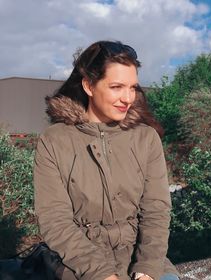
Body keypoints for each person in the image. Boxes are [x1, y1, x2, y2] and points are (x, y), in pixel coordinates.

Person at [34, 40, 179, 280]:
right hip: (79, 263)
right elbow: (54, 220)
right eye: (116, 87)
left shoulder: (146, 138)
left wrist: (148, 268)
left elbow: (156, 210)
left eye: (132, 87)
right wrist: (101, 274)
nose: (128, 98)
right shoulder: (54, 141)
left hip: (139, 257)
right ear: (89, 85)